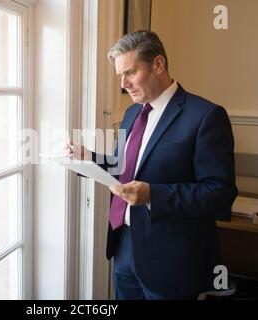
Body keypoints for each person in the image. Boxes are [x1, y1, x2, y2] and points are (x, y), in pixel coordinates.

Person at [65, 30, 237, 300]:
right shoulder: (133, 112)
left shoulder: (206, 116)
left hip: (173, 260)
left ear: (158, 64)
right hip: (124, 247)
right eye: (120, 75)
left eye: (130, 73)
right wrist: (88, 158)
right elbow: (126, 168)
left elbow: (220, 194)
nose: (124, 84)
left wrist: (152, 195)